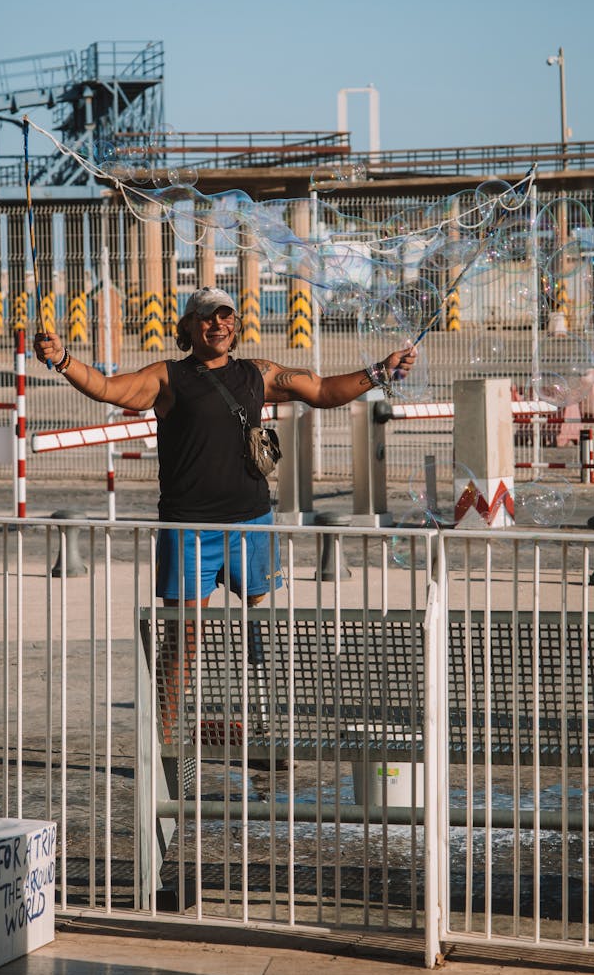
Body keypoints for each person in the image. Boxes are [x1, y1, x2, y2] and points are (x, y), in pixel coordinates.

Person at [34, 285, 416, 735]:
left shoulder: (258, 374)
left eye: (226, 316)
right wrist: (62, 360)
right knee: (183, 641)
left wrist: (379, 371)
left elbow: (322, 390)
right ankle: (169, 741)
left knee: (257, 630)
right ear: (188, 327)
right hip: (189, 529)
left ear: (235, 325)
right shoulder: (167, 377)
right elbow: (107, 389)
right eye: (207, 317)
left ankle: (261, 724)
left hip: (252, 523)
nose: (218, 324)